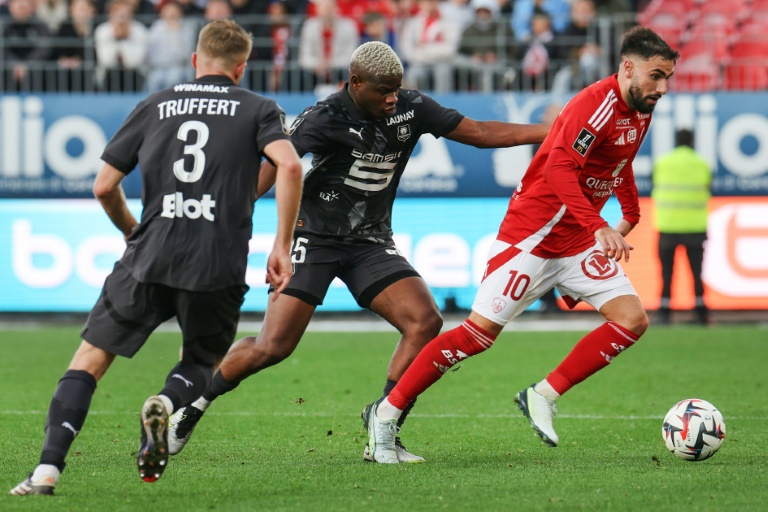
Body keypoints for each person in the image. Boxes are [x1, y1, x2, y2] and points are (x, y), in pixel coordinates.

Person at [166, 40, 549, 465]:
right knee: (272, 347)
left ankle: (384, 421)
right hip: (315, 239)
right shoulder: (322, 117)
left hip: (370, 241)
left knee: (424, 321)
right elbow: (274, 168)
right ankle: (194, 405)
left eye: (396, 89)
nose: (391, 98)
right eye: (382, 90)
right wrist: (226, 218)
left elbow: (477, 133)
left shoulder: (411, 107)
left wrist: (554, 131)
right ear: (355, 83)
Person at [10, 19, 303, 495]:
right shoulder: (258, 108)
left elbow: (104, 186)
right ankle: (166, 405)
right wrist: (281, 245)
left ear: (194, 60)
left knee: (89, 359)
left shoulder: (157, 103)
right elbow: (288, 164)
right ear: (241, 68)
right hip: (216, 259)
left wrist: (132, 231)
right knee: (199, 362)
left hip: (149, 253)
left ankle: (46, 470)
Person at [365, 26, 679, 463]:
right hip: (530, 237)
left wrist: (630, 213)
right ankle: (386, 414)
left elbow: (618, 160)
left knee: (631, 320)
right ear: (627, 67)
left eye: (667, 77)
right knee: (477, 336)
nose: (662, 87)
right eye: (656, 75)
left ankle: (543, 395)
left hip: (575, 241)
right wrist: (598, 225)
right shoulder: (595, 106)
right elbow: (558, 170)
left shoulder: (640, 108)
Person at [651, 128, 711, 325]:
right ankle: (701, 310)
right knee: (696, 272)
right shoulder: (701, 163)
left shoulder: (663, 162)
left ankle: (664, 311)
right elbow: (708, 188)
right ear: (692, 141)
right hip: (695, 227)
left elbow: (654, 185)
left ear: (675, 141)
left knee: (667, 272)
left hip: (668, 226)